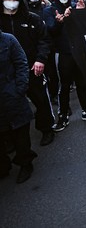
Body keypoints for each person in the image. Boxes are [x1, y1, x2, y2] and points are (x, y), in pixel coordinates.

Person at [0, 0, 55, 146]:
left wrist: (40, 60)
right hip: (7, 73)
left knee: (40, 99)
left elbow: (44, 40)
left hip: (32, 68)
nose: (11, 3)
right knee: (8, 105)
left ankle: (46, 129)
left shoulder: (32, 18)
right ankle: (10, 136)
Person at [44, 0, 86, 131]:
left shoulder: (75, 6)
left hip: (77, 51)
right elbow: (51, 31)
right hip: (62, 52)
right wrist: (60, 22)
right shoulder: (50, 10)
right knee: (64, 86)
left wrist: (82, 13)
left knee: (82, 83)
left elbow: (85, 27)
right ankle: (63, 116)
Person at [0, 28, 37, 183]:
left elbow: (21, 63)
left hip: (11, 94)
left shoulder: (8, 40)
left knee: (20, 132)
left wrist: (19, 89)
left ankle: (25, 163)